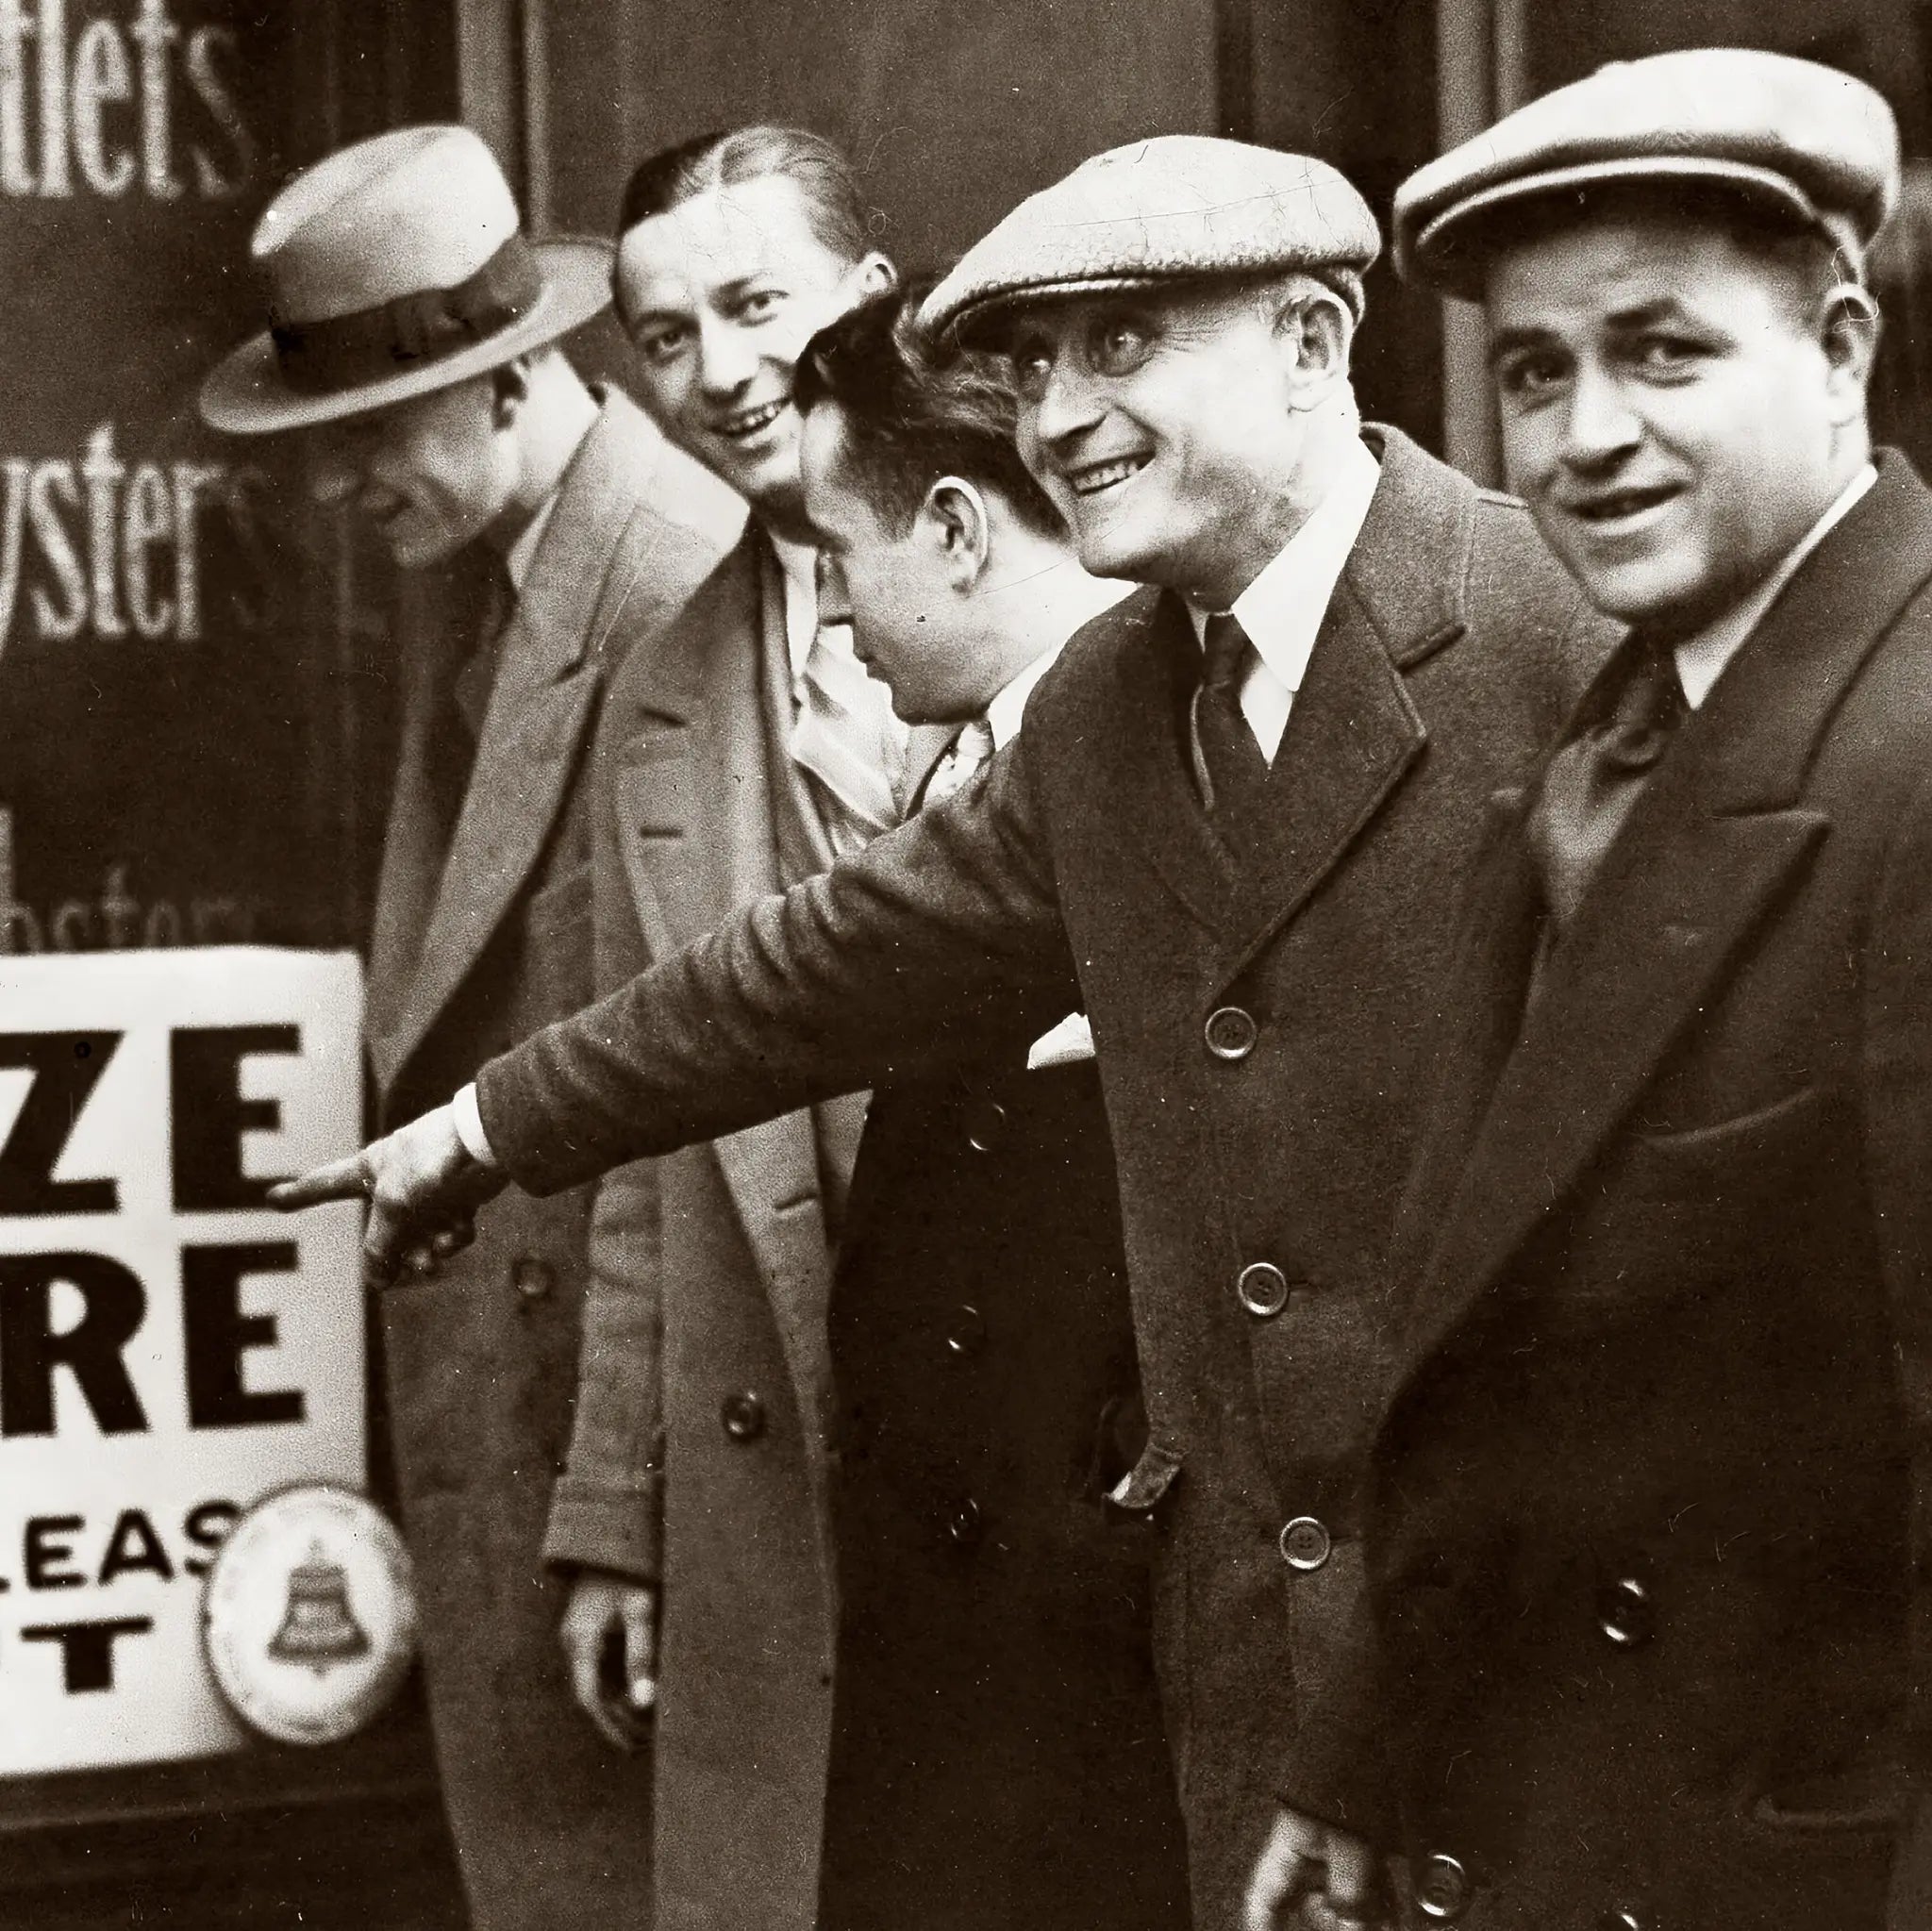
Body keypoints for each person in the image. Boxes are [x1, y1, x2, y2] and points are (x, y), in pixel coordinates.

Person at [275, 135, 1609, 1928]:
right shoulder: (1116, 701)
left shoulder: (1569, 635)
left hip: (1523, 1716)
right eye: (1035, 365)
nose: (1059, 414)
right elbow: (814, 970)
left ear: (1313, 341)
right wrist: (493, 1125)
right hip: (1247, 1733)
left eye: (1121, 344)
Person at [1252, 47, 1932, 1931]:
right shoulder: (1610, 736)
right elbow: (1510, 1351)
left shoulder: (1910, 756)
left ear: (1841, 344)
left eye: (1662, 350)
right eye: (1536, 371)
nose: (1582, 435)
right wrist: (1374, 1753)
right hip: (1573, 1825)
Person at [198, 125, 741, 1929]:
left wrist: (621, 1512)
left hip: (629, 1503)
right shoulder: (503, 594)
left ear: (513, 378)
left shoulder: (667, 584)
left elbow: (706, 1098)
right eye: (318, 444)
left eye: (371, 430)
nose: (339, 488)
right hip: (536, 1457)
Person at [539, 127, 945, 1931]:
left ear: (875, 298)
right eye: (664, 334)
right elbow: (649, 1142)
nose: (717, 374)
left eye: (755, 304)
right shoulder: (667, 693)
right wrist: (618, 1515)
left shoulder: (1081, 574)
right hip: (792, 1422)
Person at [790, 286, 1190, 1929]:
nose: (830, 612)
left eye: (836, 555)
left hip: (1087, 1708)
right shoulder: (968, 782)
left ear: (955, 529)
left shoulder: (1160, 772)